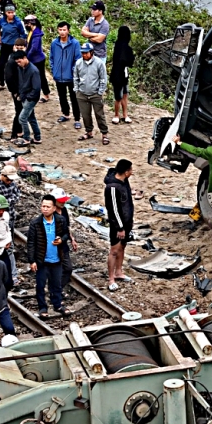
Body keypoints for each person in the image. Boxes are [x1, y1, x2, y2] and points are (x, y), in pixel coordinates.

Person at [27, 195, 71, 318]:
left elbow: (66, 234)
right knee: (40, 285)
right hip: (42, 260)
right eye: (43, 206)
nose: (45, 209)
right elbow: (31, 243)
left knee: (56, 284)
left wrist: (61, 240)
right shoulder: (35, 223)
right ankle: (42, 307)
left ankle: (57, 304)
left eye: (48, 206)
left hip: (57, 259)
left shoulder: (60, 220)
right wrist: (32, 261)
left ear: (53, 208)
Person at [103, 159, 133, 291]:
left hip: (127, 222)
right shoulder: (112, 188)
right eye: (130, 170)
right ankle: (111, 279)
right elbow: (114, 210)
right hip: (118, 225)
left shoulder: (124, 181)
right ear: (126, 172)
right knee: (114, 250)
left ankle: (119, 272)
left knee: (122, 247)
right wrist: (120, 228)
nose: (132, 172)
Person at [74, 42, 109, 143]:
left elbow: (103, 78)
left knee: (99, 115)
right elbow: (76, 77)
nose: (84, 55)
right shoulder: (78, 63)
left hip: (95, 94)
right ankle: (89, 132)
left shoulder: (99, 63)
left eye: (86, 53)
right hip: (82, 93)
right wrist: (76, 90)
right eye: (82, 53)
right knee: (85, 115)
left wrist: (100, 92)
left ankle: (104, 134)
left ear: (92, 52)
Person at [50, 21, 80, 124]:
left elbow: (78, 59)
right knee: (62, 97)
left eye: (64, 30)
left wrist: (73, 71)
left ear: (68, 31)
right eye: (60, 30)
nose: (62, 32)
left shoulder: (75, 43)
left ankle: (77, 119)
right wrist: (54, 70)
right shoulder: (54, 43)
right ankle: (65, 114)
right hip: (59, 76)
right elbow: (52, 58)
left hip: (71, 76)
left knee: (74, 98)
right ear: (58, 30)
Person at [0, 4, 26, 91]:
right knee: (1, 65)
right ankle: (1, 83)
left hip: (14, 46)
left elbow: (23, 34)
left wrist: (20, 45)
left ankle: (18, 83)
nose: (11, 14)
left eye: (12, 12)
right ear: (5, 13)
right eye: (9, 12)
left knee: (15, 64)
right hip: (4, 45)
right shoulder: (2, 21)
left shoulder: (18, 22)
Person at [13, 51, 41, 146]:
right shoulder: (21, 68)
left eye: (19, 61)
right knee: (31, 118)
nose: (18, 63)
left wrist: (27, 97)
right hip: (24, 96)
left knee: (22, 118)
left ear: (25, 58)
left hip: (31, 98)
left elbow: (36, 88)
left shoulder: (33, 70)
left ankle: (26, 138)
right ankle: (37, 138)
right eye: (17, 62)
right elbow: (21, 83)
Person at [3, 37, 29, 138]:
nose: (19, 50)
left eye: (21, 48)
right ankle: (15, 133)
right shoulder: (12, 61)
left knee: (21, 110)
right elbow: (8, 78)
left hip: (23, 89)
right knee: (19, 110)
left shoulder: (24, 58)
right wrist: (15, 91)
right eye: (17, 48)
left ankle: (19, 130)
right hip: (17, 90)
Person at [110, 25, 134, 123]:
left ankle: (124, 115)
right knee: (119, 96)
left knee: (124, 93)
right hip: (118, 73)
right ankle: (117, 115)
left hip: (123, 73)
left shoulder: (119, 45)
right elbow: (128, 61)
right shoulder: (122, 46)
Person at [25, 15, 50, 102]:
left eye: (27, 23)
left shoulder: (36, 33)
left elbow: (34, 48)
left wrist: (27, 57)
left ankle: (46, 95)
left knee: (41, 77)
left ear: (31, 23)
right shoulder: (32, 32)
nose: (25, 25)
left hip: (37, 59)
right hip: (33, 58)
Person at [0, 164, 21, 229]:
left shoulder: (12, 182)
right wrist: (11, 200)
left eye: (11, 180)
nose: (10, 181)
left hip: (11, 214)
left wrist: (6, 201)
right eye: (8, 180)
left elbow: (17, 195)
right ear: (3, 175)